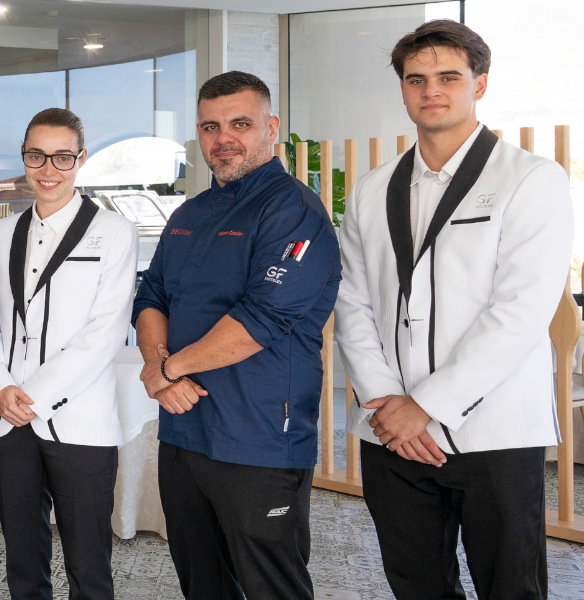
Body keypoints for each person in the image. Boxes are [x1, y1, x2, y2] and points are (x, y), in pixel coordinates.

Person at [334, 20, 571, 598]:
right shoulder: (372, 188)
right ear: (402, 88)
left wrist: (426, 406)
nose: (431, 90)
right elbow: (351, 300)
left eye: (448, 77)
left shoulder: (531, 179)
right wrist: (386, 402)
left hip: (492, 430)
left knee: (510, 585)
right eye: (416, 79)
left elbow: (520, 311)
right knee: (415, 583)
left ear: (479, 84)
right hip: (390, 431)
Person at [132, 71, 340, 600]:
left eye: (240, 124)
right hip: (183, 433)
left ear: (271, 127)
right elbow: (151, 296)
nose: (223, 138)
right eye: (210, 126)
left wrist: (167, 369)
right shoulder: (189, 213)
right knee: (202, 582)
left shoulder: (294, 210)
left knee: (272, 586)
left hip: (260, 437)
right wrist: (158, 365)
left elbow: (262, 318)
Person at [0, 108, 138, 600]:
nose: (48, 169)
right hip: (8, 420)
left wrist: (32, 397)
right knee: (23, 563)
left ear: (80, 159)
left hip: (80, 421)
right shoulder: (3, 233)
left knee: (89, 566)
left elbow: (105, 332)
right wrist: (0, 388)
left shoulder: (114, 231)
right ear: (23, 157)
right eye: (36, 156)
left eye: (62, 157)